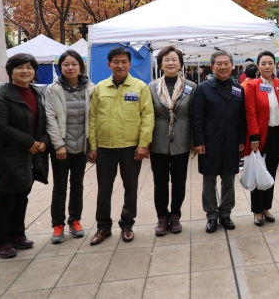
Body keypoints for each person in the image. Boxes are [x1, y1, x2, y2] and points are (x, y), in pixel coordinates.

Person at [88, 47, 154, 245]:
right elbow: (92, 119)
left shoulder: (140, 87)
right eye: (116, 61)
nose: (120, 65)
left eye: (124, 61)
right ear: (109, 65)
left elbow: (148, 117)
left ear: (130, 64)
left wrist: (143, 145)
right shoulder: (99, 88)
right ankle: (103, 227)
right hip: (105, 148)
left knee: (130, 188)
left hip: (131, 147)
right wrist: (93, 146)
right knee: (104, 189)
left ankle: (127, 225)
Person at [0, 54, 50, 258]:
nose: (25, 71)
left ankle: (16, 234)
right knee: (5, 198)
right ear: (11, 71)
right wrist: (30, 143)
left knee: (21, 195)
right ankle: (0, 241)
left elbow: (42, 122)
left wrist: (43, 142)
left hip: (29, 156)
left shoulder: (36, 93)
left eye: (29, 67)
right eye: (20, 67)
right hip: (7, 157)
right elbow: (0, 127)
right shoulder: (2, 97)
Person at [192, 50, 247, 233]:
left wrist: (241, 139)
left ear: (232, 66)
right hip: (209, 142)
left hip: (231, 141)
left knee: (229, 179)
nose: (223, 67)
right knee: (209, 179)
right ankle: (211, 215)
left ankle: (225, 213)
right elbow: (197, 118)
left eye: (226, 63)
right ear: (212, 66)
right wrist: (198, 141)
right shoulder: (203, 89)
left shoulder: (238, 89)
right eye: (219, 64)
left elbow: (242, 118)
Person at [45, 49, 94, 244]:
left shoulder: (91, 88)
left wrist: (92, 145)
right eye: (66, 64)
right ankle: (58, 224)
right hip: (61, 147)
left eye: (74, 64)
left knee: (77, 185)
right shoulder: (53, 89)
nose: (70, 67)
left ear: (81, 67)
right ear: (61, 67)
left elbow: (94, 117)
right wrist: (58, 144)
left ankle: (75, 220)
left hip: (81, 146)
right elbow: (50, 118)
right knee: (59, 186)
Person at [148, 46, 196, 236]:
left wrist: (194, 140)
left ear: (181, 64)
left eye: (174, 59)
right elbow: (146, 115)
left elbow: (195, 116)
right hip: (158, 140)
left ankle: (175, 215)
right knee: (160, 182)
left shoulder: (192, 87)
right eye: (166, 59)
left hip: (182, 141)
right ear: (160, 64)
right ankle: (161, 216)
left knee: (179, 182)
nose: (170, 63)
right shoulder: (151, 87)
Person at [244, 51, 279, 226]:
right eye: (263, 63)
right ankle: (257, 210)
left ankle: (266, 207)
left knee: (271, 171)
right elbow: (250, 113)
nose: (267, 66)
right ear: (258, 66)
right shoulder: (252, 86)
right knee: (257, 172)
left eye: (270, 63)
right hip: (259, 135)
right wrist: (254, 136)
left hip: (277, 134)